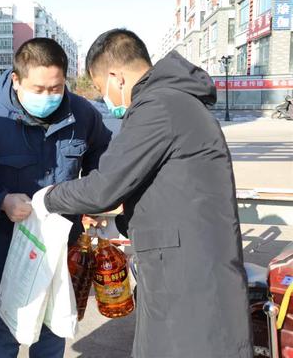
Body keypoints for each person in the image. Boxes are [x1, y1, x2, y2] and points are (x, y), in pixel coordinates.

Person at [34, 29, 253, 358]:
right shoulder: (174, 101)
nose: (106, 99)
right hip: (187, 269)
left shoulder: (158, 106)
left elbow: (104, 187)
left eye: (101, 89)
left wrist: (47, 197)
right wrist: (123, 224)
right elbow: (176, 193)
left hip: (188, 279)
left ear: (116, 77)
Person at [0, 38, 112, 357]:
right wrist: (1, 200)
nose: (49, 97)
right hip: (5, 253)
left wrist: (94, 197)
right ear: (16, 80)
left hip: (60, 254)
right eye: (39, 89)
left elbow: (103, 154)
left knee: (51, 336)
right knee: (2, 335)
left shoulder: (81, 114)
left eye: (56, 88)